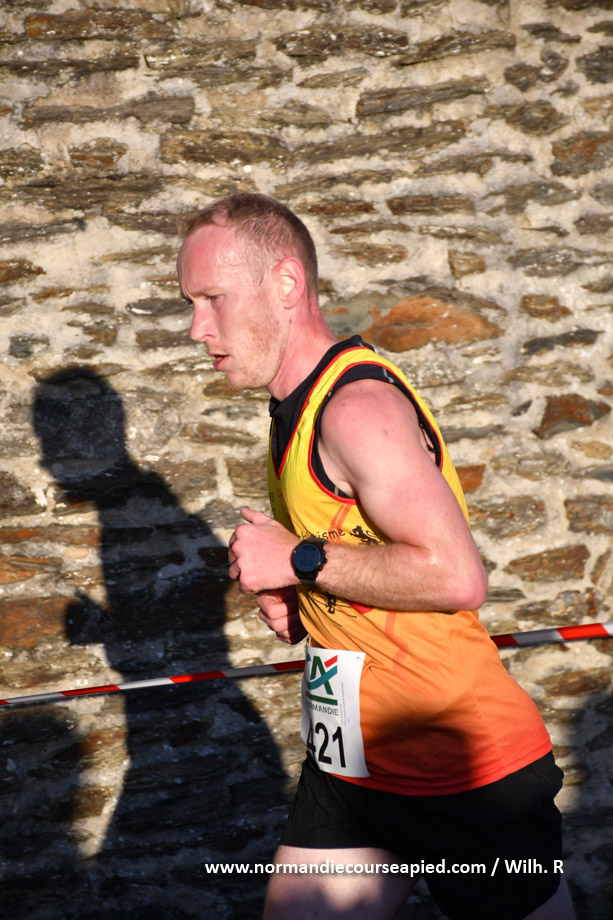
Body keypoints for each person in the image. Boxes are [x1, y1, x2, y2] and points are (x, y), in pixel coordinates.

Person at [176, 193, 575, 920]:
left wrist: (298, 561)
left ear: (286, 283)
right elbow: (364, 551)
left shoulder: (355, 409)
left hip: (462, 769)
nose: (197, 328)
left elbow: (455, 576)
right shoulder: (292, 408)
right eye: (190, 304)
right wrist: (304, 604)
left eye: (213, 299)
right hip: (352, 765)